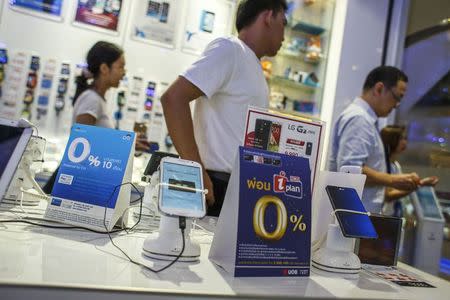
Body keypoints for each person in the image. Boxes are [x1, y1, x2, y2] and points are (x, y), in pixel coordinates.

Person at [161, 0, 287, 216]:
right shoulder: (230, 49)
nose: (284, 36)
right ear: (269, 16)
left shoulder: (252, 64)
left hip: (241, 187)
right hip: (216, 186)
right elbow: (174, 98)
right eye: (283, 23)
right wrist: (196, 171)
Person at [43, 41, 148, 193]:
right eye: (120, 66)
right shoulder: (91, 99)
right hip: (75, 183)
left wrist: (129, 144)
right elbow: (83, 144)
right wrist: (127, 143)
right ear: (104, 68)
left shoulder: (98, 100)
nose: (124, 72)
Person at [328, 66, 420, 213]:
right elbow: (350, 170)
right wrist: (394, 180)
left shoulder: (365, 119)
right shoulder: (359, 119)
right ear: (378, 89)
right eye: (397, 97)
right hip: (352, 218)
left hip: (355, 216)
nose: (396, 105)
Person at [380, 125, 439, 216]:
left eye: (405, 138)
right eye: (401, 138)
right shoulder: (381, 164)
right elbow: (388, 195)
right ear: (391, 140)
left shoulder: (395, 165)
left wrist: (419, 183)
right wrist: (420, 184)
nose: (405, 142)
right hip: (381, 214)